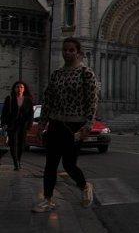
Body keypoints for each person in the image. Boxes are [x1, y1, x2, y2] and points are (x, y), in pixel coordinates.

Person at [33, 37, 98, 212]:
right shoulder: (56, 74)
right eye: (65, 50)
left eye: (71, 50)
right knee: (51, 163)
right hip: (56, 123)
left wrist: (88, 125)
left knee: (69, 164)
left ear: (78, 52)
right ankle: (47, 199)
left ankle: (84, 186)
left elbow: (92, 101)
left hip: (75, 125)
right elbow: (48, 100)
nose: (67, 53)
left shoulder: (86, 73)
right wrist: (41, 124)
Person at [1, 81, 34, 171]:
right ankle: (16, 162)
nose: (19, 89)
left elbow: (31, 114)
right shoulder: (10, 99)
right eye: (17, 87)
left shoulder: (28, 100)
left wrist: (29, 125)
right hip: (12, 125)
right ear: (14, 89)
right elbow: (4, 113)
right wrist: (4, 124)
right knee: (13, 144)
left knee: (21, 144)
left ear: (24, 89)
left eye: (21, 87)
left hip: (23, 126)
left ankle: (18, 159)